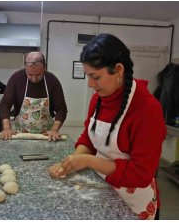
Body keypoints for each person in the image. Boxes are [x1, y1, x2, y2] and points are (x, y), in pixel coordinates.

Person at [48, 34, 166, 219]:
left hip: (133, 202)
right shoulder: (98, 98)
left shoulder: (147, 109)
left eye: (95, 77)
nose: (90, 84)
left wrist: (89, 161)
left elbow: (141, 174)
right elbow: (88, 137)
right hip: (103, 189)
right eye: (88, 76)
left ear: (118, 70)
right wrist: (72, 161)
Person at [0, 51, 68, 141]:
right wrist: (6, 127)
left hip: (46, 136)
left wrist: (55, 130)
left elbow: (61, 109)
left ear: (44, 67)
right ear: (25, 67)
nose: (34, 78)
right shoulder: (16, 79)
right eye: (30, 74)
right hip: (20, 135)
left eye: (38, 75)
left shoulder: (52, 81)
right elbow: (5, 105)